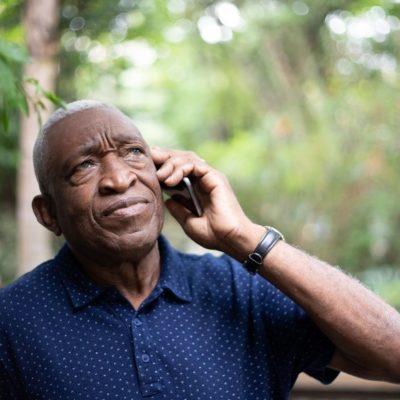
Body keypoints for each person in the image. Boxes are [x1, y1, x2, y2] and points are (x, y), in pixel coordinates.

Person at [0, 100, 399, 400]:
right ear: (48, 213)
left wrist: (243, 236)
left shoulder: (241, 291)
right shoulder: (11, 322)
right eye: (83, 166)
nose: (119, 179)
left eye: (134, 152)